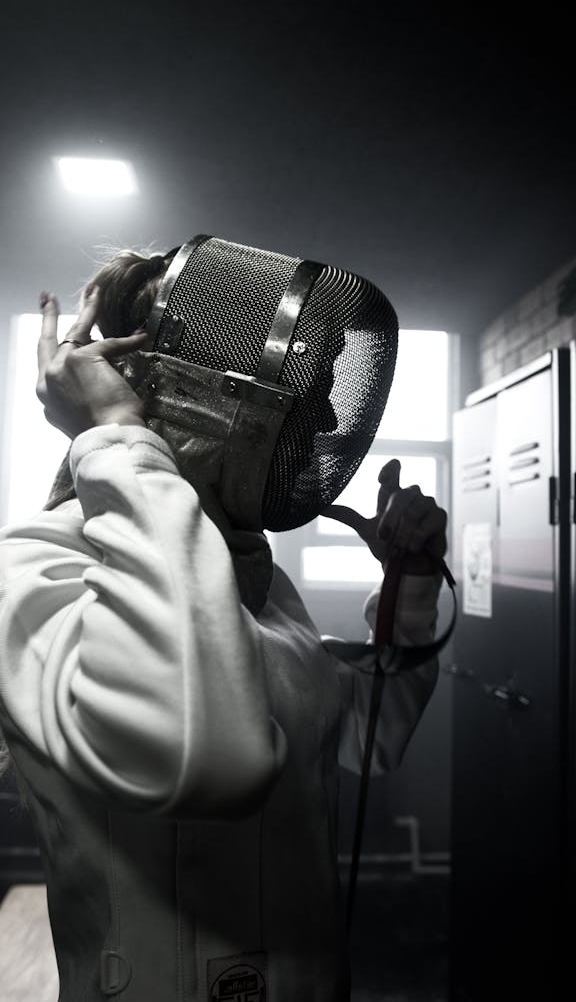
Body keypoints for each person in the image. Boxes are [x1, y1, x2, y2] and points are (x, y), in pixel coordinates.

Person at [0, 251, 447, 1001]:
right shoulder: (39, 568)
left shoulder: (259, 586)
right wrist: (112, 435)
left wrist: (412, 585)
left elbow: (365, 732)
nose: (329, 416)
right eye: (304, 389)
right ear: (183, 394)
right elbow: (197, 756)